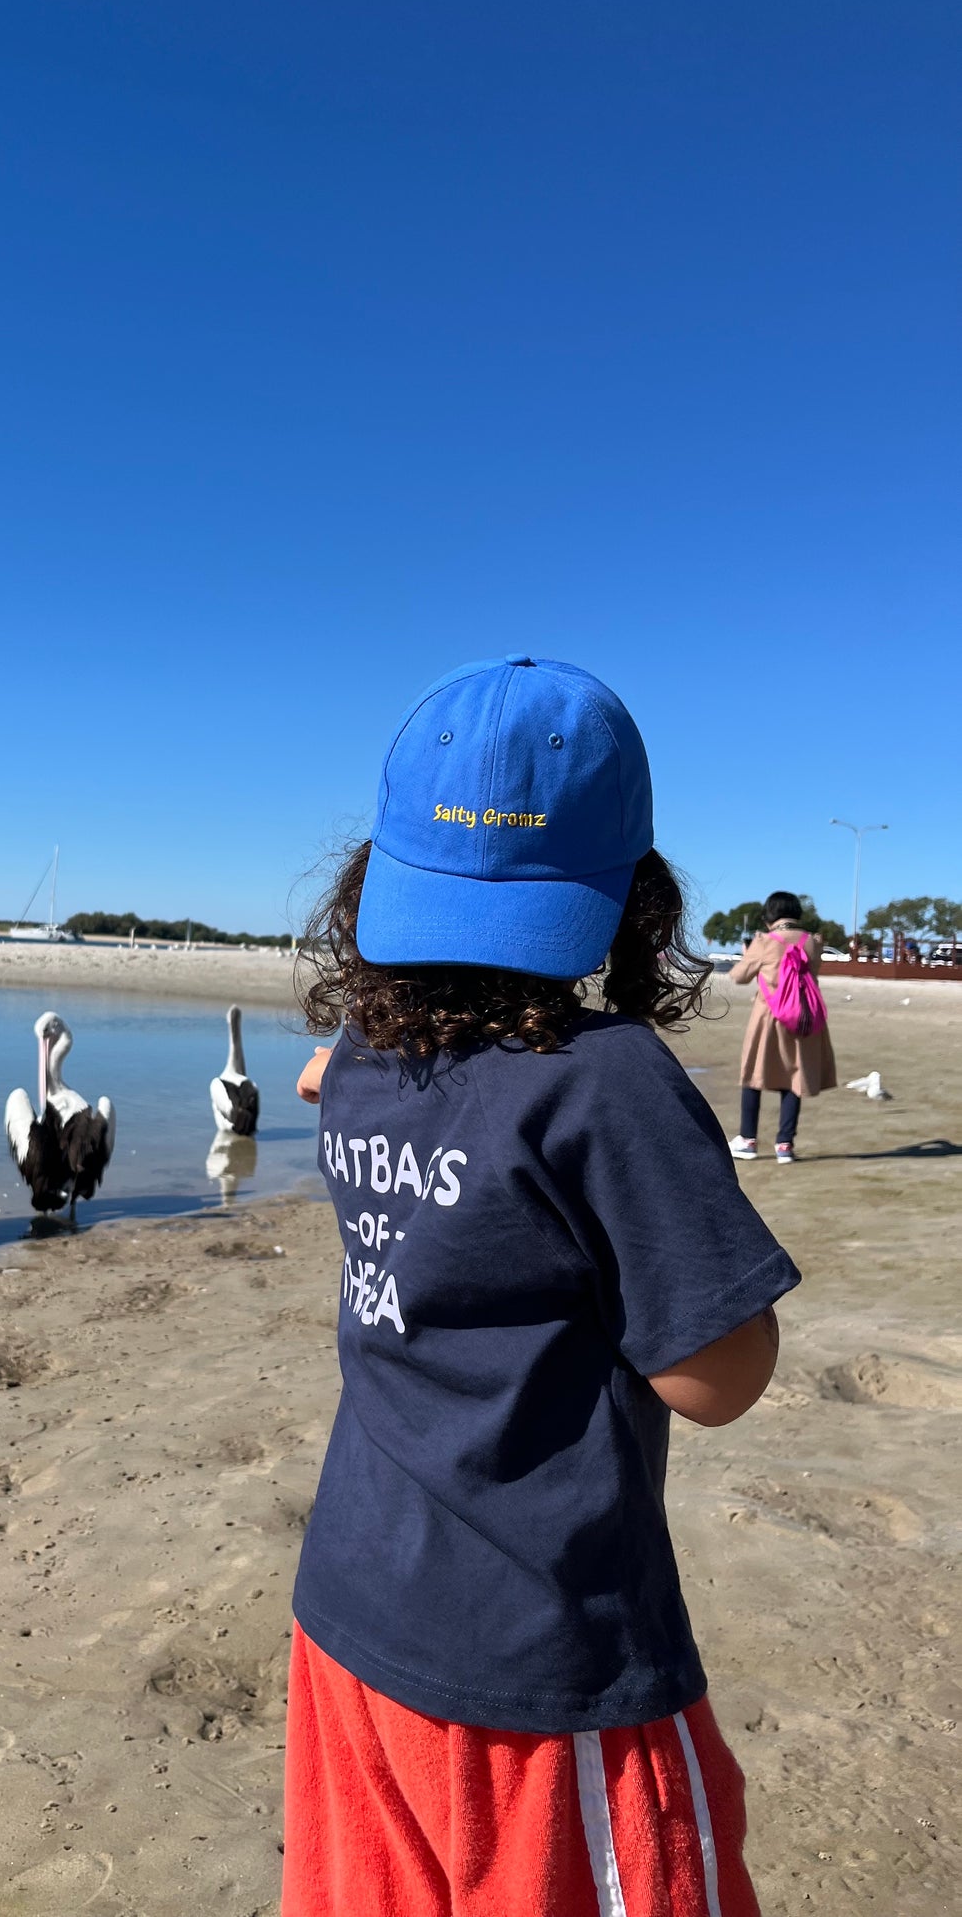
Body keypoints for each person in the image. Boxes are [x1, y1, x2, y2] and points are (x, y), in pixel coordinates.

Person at [285, 655, 798, 1917]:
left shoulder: (356, 1057)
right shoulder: (606, 1079)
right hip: (532, 1650)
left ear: (376, 881)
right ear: (632, 896)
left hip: (349, 1611)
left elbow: (335, 1081)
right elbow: (713, 1377)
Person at [727, 892, 837, 1164]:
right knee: (795, 1077)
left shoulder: (764, 942)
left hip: (769, 1017)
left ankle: (748, 1139)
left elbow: (739, 977)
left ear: (770, 916)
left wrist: (748, 953)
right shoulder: (812, 942)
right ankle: (785, 1145)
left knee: (753, 1074)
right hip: (804, 1019)